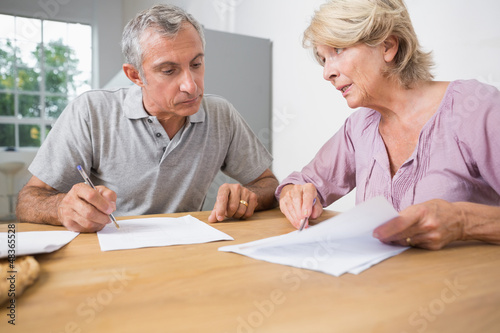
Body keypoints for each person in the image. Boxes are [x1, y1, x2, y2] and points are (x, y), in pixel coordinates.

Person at [16, 4, 278, 232]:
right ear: (135, 76)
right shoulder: (91, 111)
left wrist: (248, 196)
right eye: (169, 70)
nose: (191, 85)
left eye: (196, 65)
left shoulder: (221, 115)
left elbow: (268, 184)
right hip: (110, 256)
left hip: (187, 253)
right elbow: (28, 200)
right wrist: (62, 208)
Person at [276, 0, 500, 250]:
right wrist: (295, 194)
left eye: (338, 49)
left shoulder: (473, 107)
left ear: (387, 46)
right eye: (323, 58)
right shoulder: (359, 127)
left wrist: (462, 222)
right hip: (383, 286)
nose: (327, 72)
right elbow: (302, 183)